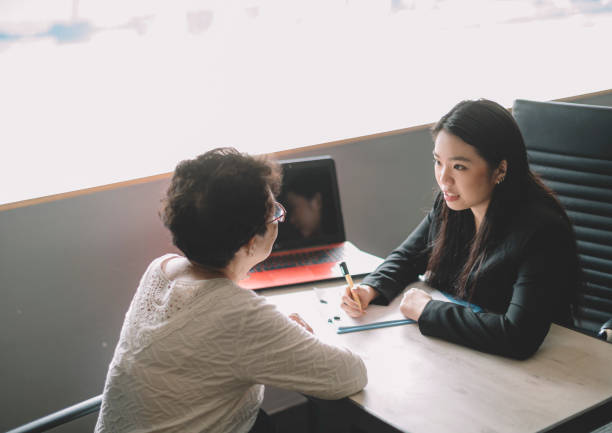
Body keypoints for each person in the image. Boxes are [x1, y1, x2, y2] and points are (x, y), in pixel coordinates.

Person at [95, 148, 367, 433]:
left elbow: (209, 339)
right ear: (250, 243)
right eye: (274, 211)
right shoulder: (239, 314)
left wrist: (273, 331)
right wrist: (295, 337)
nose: (278, 216)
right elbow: (350, 375)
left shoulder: (161, 269)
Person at [341, 99, 580, 360]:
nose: (444, 179)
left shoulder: (541, 232)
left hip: (544, 372)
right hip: (464, 355)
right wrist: (369, 289)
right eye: (438, 162)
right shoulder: (454, 205)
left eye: (459, 167)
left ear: (500, 169)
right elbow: (408, 257)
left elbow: (518, 336)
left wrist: (427, 310)